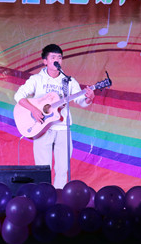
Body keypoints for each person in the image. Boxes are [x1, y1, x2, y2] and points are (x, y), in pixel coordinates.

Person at [14, 44, 95, 189]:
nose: (57, 60)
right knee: (42, 169)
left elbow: (81, 101)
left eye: (59, 58)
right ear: (45, 61)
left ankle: (59, 197)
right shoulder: (37, 79)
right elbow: (18, 96)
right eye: (53, 57)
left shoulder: (68, 81)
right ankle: (44, 197)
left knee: (62, 169)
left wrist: (89, 98)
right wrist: (34, 110)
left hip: (63, 128)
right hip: (42, 128)